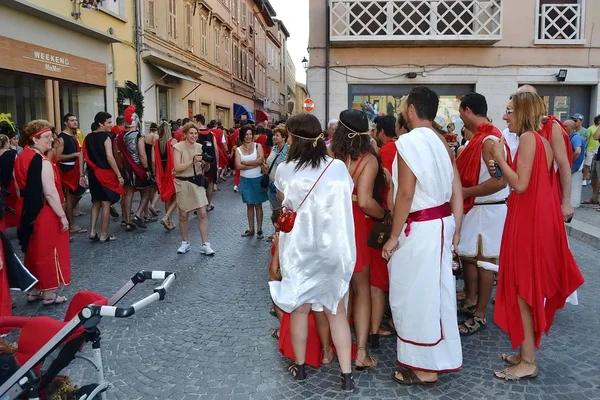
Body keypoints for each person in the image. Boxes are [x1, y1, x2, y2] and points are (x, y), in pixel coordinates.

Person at [489, 92, 584, 380]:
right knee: (523, 289)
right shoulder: (538, 140)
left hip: (530, 221)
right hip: (532, 218)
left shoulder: (531, 138)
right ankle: (524, 351)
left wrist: (498, 157)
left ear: (522, 112)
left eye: (510, 111)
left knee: (524, 291)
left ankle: (528, 361)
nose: (506, 117)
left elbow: (519, 184)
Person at [382, 86, 464, 385]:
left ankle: (424, 368)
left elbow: (405, 193)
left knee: (415, 295)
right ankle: (434, 359)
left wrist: (393, 236)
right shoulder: (442, 141)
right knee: (437, 294)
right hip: (441, 225)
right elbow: (456, 190)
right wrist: (455, 227)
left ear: (412, 109)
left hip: (420, 227)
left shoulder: (410, 141)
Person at [269, 113, 356, 392]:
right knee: (336, 311)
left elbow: (286, 205)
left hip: (300, 251)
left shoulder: (284, 170)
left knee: (299, 308)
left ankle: (301, 367)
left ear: (293, 138)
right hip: (334, 249)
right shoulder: (339, 167)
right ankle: (346, 376)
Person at [330, 109, 388, 370]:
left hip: (331, 225)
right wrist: (384, 215)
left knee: (334, 289)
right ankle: (361, 352)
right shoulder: (369, 160)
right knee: (361, 288)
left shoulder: (331, 155)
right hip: (356, 226)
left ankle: (329, 347)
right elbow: (364, 202)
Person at [455, 93, 509, 336]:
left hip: (488, 210)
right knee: (470, 257)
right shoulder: (484, 137)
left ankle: (480, 314)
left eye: (460, 112)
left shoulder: (488, 141)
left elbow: (499, 182)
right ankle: (470, 301)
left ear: (467, 110)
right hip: (478, 208)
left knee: (485, 263)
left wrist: (465, 191)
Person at [15, 120, 71, 306]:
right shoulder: (42, 161)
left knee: (32, 249)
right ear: (35, 138)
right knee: (47, 251)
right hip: (43, 210)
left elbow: (17, 186)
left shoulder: (21, 156)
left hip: (25, 207)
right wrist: (63, 216)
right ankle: (48, 294)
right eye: (47, 137)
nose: (51, 139)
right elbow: (49, 192)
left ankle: (33, 290)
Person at [515, 85, 573, 222]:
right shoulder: (512, 129)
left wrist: (565, 202)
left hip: (542, 195)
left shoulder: (551, 127)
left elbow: (564, 165)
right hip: (519, 198)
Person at [367, 114, 397, 347]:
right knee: (378, 281)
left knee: (360, 282)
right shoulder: (384, 164)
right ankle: (375, 332)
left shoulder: (348, 164)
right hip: (384, 223)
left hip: (368, 222)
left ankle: (359, 325)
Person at [172, 122, 215, 256]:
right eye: (191, 133)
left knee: (202, 213)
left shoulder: (200, 147)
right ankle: (185, 243)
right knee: (183, 215)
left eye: (196, 133)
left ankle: (205, 244)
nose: (194, 136)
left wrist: (205, 164)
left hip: (197, 182)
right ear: (185, 134)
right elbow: (177, 167)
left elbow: (204, 169)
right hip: (182, 182)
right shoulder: (178, 147)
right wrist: (192, 161)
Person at [83, 112, 125, 243]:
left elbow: (82, 156)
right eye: (109, 122)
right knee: (106, 202)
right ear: (100, 124)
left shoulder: (88, 137)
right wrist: (118, 174)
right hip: (104, 173)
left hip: (92, 173)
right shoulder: (107, 137)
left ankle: (92, 231)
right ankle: (104, 234)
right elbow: (110, 156)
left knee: (96, 202)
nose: (111, 125)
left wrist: (81, 174)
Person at [117, 105, 153, 231]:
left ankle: (127, 221)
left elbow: (117, 155)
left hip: (125, 167)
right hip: (137, 168)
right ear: (137, 121)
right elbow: (142, 154)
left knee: (128, 194)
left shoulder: (119, 136)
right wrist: (147, 169)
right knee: (147, 191)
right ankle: (137, 215)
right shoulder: (138, 136)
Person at [235, 124, 268, 238]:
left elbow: (261, 159)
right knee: (249, 205)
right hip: (245, 180)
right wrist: (253, 165)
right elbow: (238, 166)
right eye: (246, 134)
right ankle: (251, 229)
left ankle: (259, 229)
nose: (248, 136)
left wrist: (246, 163)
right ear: (242, 136)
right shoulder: (238, 149)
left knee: (258, 205)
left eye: (250, 134)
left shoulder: (257, 146)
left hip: (257, 179)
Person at [56, 113, 87, 234]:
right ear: (65, 122)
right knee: (70, 198)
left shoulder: (74, 135)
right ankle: (71, 224)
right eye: (72, 120)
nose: (75, 122)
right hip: (67, 171)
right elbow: (58, 156)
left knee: (78, 194)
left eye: (76, 120)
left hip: (75, 169)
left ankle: (67, 220)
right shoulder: (62, 137)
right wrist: (74, 155)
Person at [154, 121, 178, 230]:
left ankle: (170, 221)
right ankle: (166, 217)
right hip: (172, 171)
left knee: (167, 196)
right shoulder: (173, 141)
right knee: (177, 196)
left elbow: (154, 160)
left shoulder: (156, 142)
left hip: (162, 172)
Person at [264, 124, 289, 214]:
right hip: (271, 184)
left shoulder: (288, 150)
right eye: (274, 135)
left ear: (284, 137)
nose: (274, 137)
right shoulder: (273, 148)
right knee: (275, 212)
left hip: (282, 186)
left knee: (283, 211)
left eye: (277, 135)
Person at [195, 115, 219, 210]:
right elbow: (216, 149)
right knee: (210, 182)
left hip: (198, 162)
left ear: (198, 122)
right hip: (211, 161)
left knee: (199, 184)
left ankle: (200, 206)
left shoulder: (195, 134)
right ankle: (208, 204)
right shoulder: (211, 134)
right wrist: (216, 163)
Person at [0, 134, 19, 228]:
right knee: (12, 204)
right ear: (7, 142)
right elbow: (16, 170)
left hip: (1, 183)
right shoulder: (12, 153)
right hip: (10, 182)